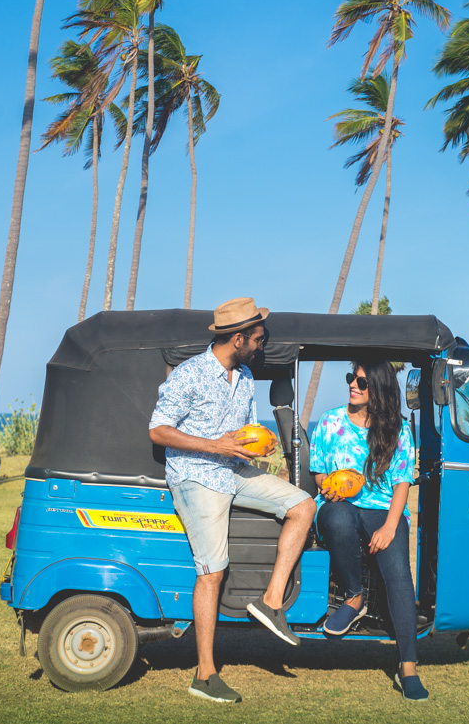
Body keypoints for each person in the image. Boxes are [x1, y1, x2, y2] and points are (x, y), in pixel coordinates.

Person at [148, 297, 315, 704]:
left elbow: (239, 436)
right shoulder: (189, 375)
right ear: (237, 338)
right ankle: (204, 675)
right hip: (196, 476)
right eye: (257, 339)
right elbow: (158, 430)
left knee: (303, 505)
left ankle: (271, 602)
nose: (261, 345)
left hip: (234, 472)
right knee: (211, 571)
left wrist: (258, 444)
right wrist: (214, 446)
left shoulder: (242, 377)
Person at [310, 360, 428, 702]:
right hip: (337, 504)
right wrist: (328, 486)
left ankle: (408, 667)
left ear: (379, 389)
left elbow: (403, 484)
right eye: (352, 379)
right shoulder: (331, 421)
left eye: (362, 382)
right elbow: (319, 473)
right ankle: (354, 596)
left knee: (398, 573)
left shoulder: (398, 430)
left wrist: (392, 527)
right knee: (338, 516)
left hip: (383, 510)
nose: (353, 386)